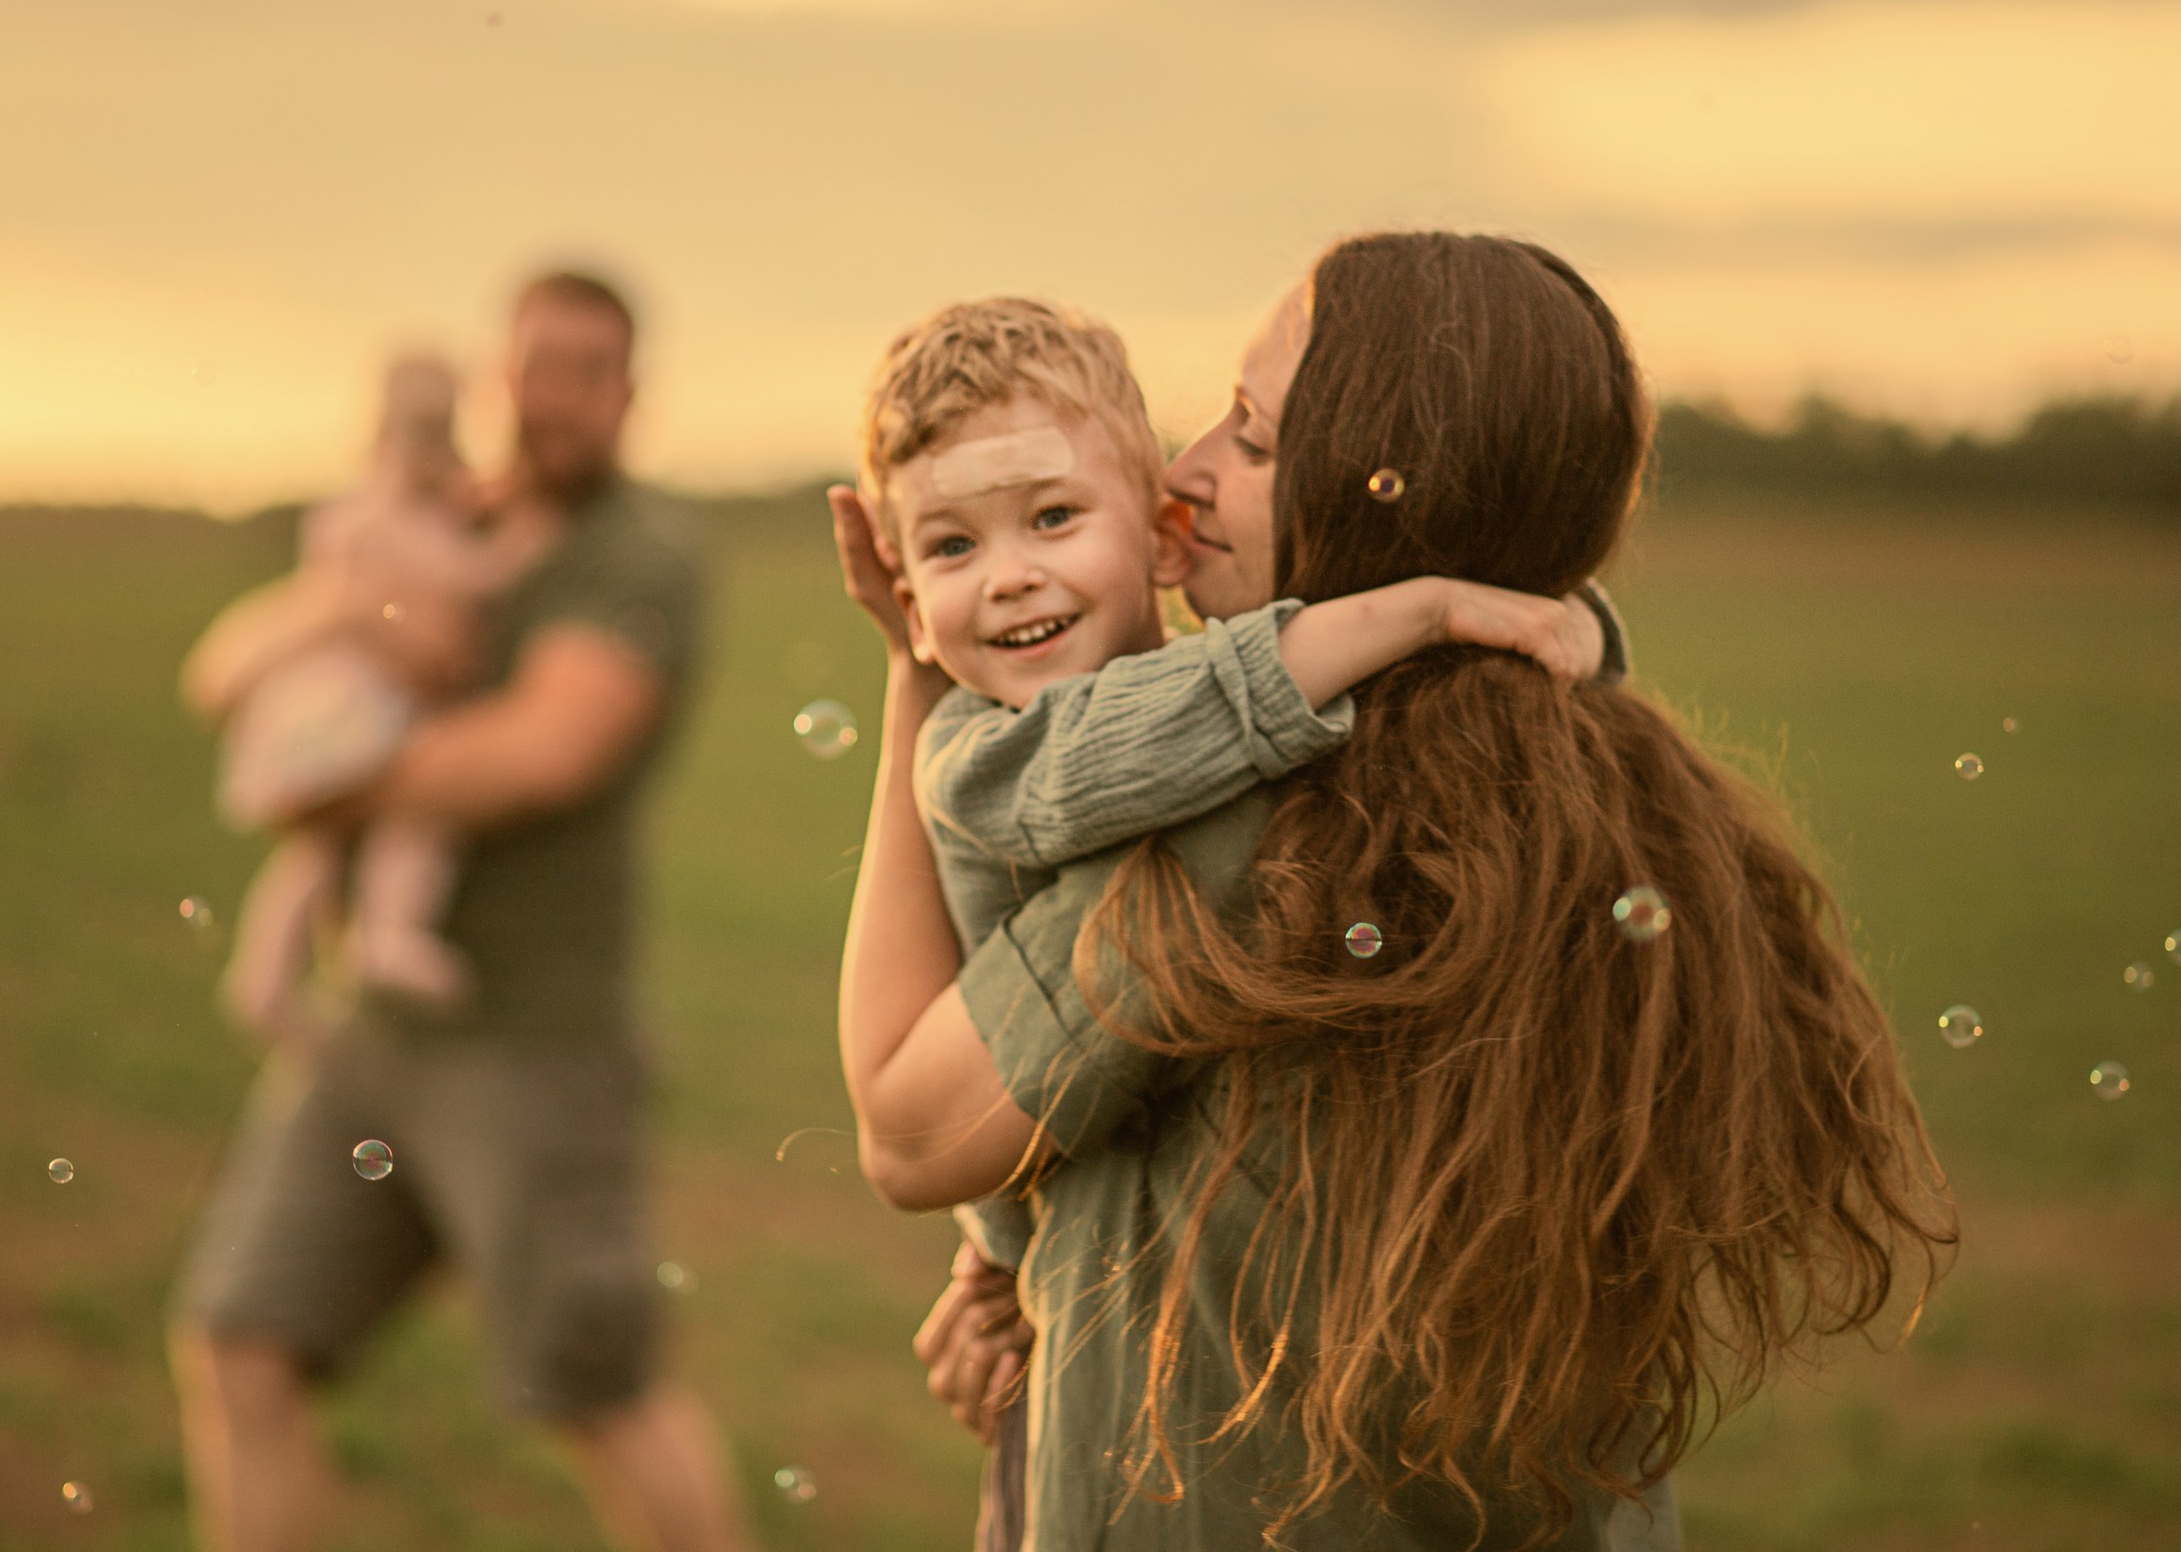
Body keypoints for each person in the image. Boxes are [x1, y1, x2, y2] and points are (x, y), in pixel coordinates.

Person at [835, 233, 1956, 1547]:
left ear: (1383, 498)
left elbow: (911, 1131)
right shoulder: (1579, 771)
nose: (1187, 471)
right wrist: (1038, 1282)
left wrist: (918, 677)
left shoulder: (1256, 835)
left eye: (1254, 435)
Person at [825, 292, 1628, 1549]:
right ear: (909, 595)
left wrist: (1533, 622)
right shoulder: (991, 753)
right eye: (950, 547)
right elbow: (1139, 741)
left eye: (1052, 518)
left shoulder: (1277, 751)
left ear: (1158, 535)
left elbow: (1227, 701)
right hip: (1072, 1333)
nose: (1012, 573)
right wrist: (1433, 609)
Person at [170, 272, 753, 1552]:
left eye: (590, 371)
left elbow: (545, 751)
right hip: (365, 1035)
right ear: (500, 376)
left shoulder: (635, 555)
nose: (558, 397)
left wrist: (306, 777)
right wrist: (339, 614)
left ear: (631, 394)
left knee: (600, 1393)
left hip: (534, 1045)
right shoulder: (434, 522)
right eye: (538, 364)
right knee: (241, 1343)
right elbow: (219, 675)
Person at [183, 350, 560, 1044]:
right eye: (428, 435)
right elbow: (450, 572)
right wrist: (517, 548)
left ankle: (264, 979)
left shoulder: (373, 510)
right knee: (416, 812)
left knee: (319, 850)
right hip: (357, 709)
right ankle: (388, 935)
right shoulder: (378, 515)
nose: (441, 454)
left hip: (333, 706)